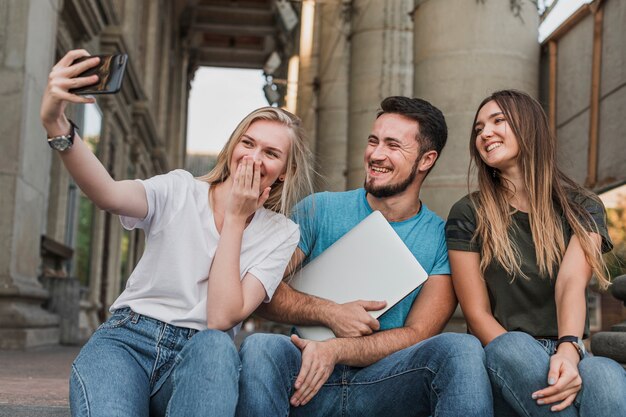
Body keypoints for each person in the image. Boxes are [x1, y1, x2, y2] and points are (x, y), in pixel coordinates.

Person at [40, 50, 314, 417]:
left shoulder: (281, 233)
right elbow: (107, 193)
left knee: (217, 345)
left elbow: (220, 318)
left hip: (199, 355)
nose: (253, 158)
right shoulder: (181, 189)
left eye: (271, 153)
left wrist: (235, 220)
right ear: (233, 146)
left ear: (284, 170)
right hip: (127, 341)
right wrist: (56, 124)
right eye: (247, 143)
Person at [236, 96, 494, 417]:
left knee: (462, 348)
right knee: (261, 347)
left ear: (426, 160)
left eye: (393, 145)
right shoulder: (319, 209)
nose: (376, 154)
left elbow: (419, 333)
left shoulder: (441, 238)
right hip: (305, 374)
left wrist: (337, 349)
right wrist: (330, 313)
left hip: (386, 382)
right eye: (373, 141)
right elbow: (261, 292)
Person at [446, 89, 626, 416]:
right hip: (501, 351)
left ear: (528, 127)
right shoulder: (468, 212)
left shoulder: (582, 206)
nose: (485, 133)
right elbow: (476, 314)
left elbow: (570, 283)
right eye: (478, 129)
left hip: (566, 347)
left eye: (498, 121)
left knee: (607, 375)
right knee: (514, 348)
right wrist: (524, 359)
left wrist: (568, 353)